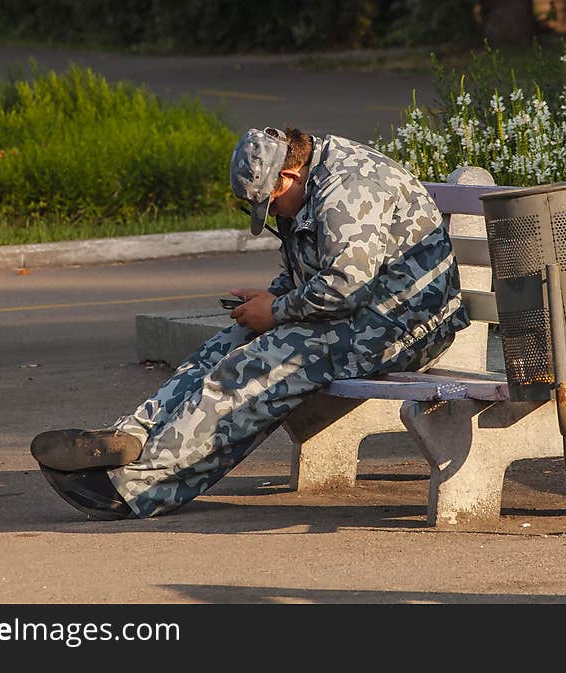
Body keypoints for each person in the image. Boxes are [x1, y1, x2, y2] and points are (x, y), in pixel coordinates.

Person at [31, 126, 470, 520]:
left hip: (404, 326)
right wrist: (273, 298)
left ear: (288, 176)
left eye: (270, 202)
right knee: (230, 342)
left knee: (254, 368)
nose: (273, 215)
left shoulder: (348, 191)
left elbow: (344, 286)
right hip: (361, 316)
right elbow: (313, 270)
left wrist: (277, 311)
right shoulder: (310, 177)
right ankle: (131, 437)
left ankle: (134, 487)